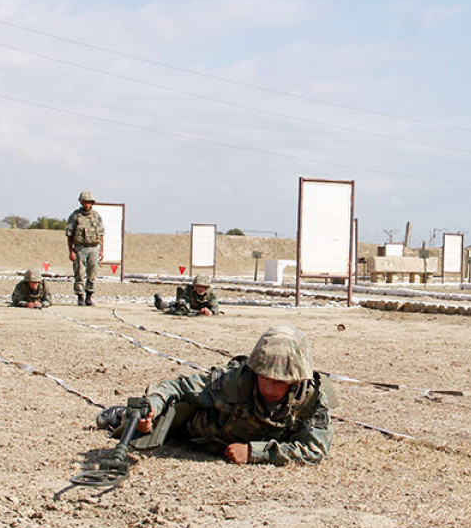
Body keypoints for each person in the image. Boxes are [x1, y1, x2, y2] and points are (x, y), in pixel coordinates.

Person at [96, 325, 334, 465]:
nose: (270, 388)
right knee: (146, 425)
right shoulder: (233, 381)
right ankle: (122, 416)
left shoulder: (313, 398)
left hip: (238, 442)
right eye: (265, 378)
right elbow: (179, 386)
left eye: (279, 382)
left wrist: (255, 452)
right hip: (193, 428)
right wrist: (154, 406)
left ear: (295, 380)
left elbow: (315, 449)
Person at [65, 190, 104, 306]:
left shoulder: (96, 216)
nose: (87, 204)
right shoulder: (75, 216)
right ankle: (80, 296)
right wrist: (71, 251)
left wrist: (101, 250)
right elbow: (69, 234)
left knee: (92, 273)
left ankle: (89, 296)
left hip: (94, 248)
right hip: (80, 248)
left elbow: (101, 234)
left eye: (89, 202)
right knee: (79, 273)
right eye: (85, 202)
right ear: (81, 203)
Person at [154, 274, 220, 316]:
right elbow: (184, 304)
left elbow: (216, 307)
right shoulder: (189, 290)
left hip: (200, 309)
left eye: (203, 287)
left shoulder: (211, 293)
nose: (200, 289)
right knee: (173, 306)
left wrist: (211, 312)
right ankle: (159, 303)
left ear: (206, 288)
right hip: (189, 307)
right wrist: (197, 312)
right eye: (198, 286)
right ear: (194, 286)